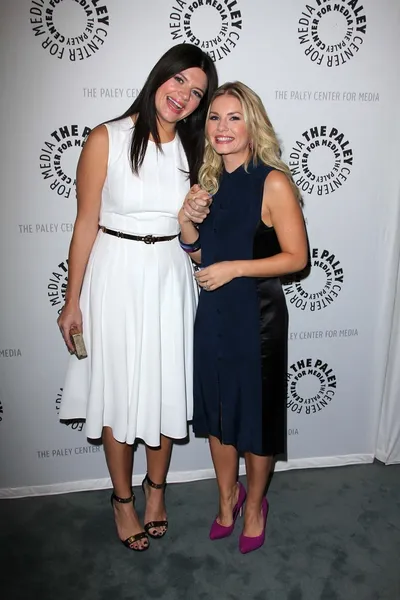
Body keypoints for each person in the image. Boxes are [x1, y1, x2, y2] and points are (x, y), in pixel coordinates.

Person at [57, 44, 218, 552]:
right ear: (160, 77)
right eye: (179, 82)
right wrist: (71, 299)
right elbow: (85, 223)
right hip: (116, 274)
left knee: (163, 384)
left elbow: (194, 227)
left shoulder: (196, 150)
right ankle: (122, 500)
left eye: (196, 93)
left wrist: (197, 217)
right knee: (119, 387)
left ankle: (155, 492)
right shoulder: (107, 137)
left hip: (169, 275)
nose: (184, 97)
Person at [178, 82, 308, 554]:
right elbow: (196, 253)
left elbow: (297, 258)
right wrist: (186, 219)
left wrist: (236, 268)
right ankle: (226, 498)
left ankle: (255, 506)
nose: (222, 127)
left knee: (253, 416)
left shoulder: (271, 181)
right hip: (213, 314)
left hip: (257, 317)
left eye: (234, 117)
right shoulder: (207, 182)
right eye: (214, 117)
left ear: (253, 124)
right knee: (217, 416)